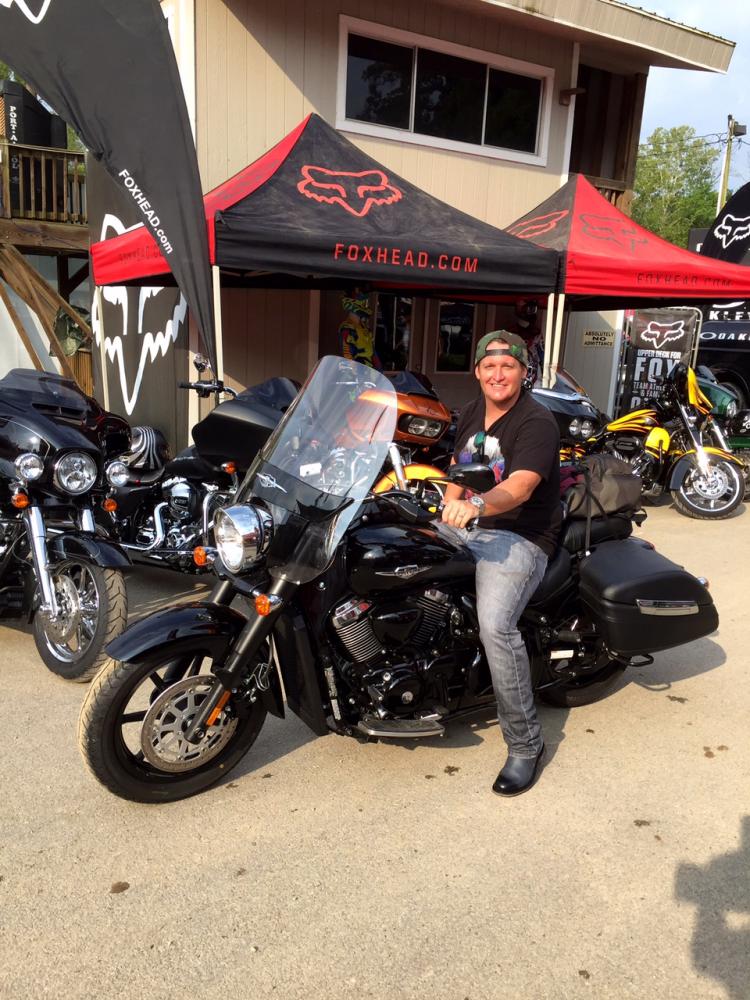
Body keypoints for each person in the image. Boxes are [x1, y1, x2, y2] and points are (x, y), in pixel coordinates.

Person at [439, 330, 561, 796]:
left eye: (507, 366)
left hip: (519, 535)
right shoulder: (470, 413)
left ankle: (526, 744)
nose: (497, 374)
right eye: (489, 366)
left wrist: (477, 508)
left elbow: (521, 486)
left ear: (523, 372)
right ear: (477, 371)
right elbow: (457, 469)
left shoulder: (537, 421)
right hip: (471, 526)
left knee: (495, 624)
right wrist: (444, 512)